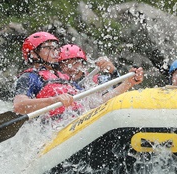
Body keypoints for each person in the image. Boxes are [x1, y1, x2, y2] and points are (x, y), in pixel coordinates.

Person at [14, 32, 144, 118]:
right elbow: (19, 106)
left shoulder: (64, 78)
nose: (54, 52)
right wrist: (55, 100)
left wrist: (128, 83)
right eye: (48, 48)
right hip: (51, 131)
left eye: (55, 48)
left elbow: (94, 103)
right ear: (33, 54)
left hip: (75, 123)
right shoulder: (30, 77)